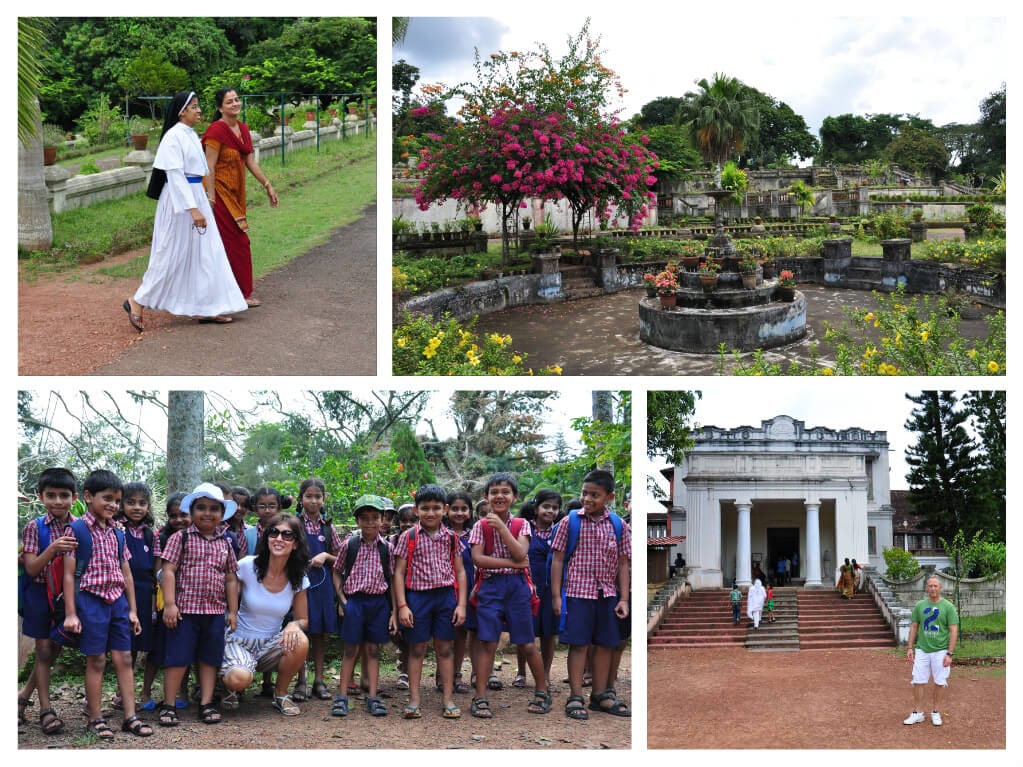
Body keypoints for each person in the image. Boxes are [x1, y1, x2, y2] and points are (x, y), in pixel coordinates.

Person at [125, 90, 247, 331]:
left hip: (195, 197)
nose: (199, 110)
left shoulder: (190, 134)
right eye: (194, 107)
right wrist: (193, 210)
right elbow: (176, 176)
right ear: (182, 112)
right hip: (180, 203)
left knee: (207, 253)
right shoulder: (173, 137)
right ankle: (137, 302)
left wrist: (205, 199)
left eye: (198, 106)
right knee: (172, 253)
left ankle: (208, 308)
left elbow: (200, 172)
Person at [62, 470, 152, 739]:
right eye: (107, 499)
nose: (113, 505)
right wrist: (70, 613)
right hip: (91, 601)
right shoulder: (76, 530)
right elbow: (68, 573)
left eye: (116, 500)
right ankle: (95, 717)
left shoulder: (118, 532)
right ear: (88, 497)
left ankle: (129, 716)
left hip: (118, 602)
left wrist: (133, 610)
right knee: (97, 660)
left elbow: (126, 573)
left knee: (124, 657)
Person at [469, 472, 551, 718]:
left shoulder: (522, 525)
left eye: (505, 492)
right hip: (490, 586)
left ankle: (542, 690)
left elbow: (520, 552)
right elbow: (478, 559)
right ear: (486, 497)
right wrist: (515, 564)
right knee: (488, 642)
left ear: (515, 497)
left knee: (526, 642)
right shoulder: (480, 525)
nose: (499, 496)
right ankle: (480, 696)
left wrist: (503, 529)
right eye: (494, 492)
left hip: (517, 588)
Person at [157, 483, 240, 726]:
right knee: (177, 658)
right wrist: (170, 605)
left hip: (214, 612)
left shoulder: (225, 543)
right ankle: (169, 704)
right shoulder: (179, 538)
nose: (207, 513)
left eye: (214, 508)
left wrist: (232, 611)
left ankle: (206, 702)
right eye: (201, 508)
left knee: (209, 658)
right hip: (184, 611)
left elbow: (231, 578)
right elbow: (168, 571)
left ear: (222, 513)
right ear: (192, 512)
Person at [551, 470, 631, 720]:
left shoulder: (618, 526)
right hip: (577, 593)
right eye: (584, 493)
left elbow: (623, 564)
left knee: (606, 644)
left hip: (607, 594)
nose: (587, 498)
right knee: (579, 645)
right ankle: (575, 695)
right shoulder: (570, 522)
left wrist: (624, 598)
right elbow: (558, 559)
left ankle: (600, 694)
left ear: (609, 497)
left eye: (594, 495)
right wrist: (556, 595)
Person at [221, 514, 310, 717]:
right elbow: (227, 601)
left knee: (301, 640)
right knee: (239, 679)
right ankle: (228, 684)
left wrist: (293, 625)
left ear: (295, 544)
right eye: (274, 532)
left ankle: (280, 694)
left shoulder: (298, 577)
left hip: (270, 644)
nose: (279, 538)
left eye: (287, 535)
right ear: (267, 537)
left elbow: (303, 619)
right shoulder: (246, 566)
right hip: (239, 640)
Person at [393, 485, 468, 719]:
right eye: (425, 508)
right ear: (417, 510)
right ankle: (414, 699)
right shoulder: (409, 536)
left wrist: (461, 604)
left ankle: (447, 698)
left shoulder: (451, 537)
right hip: (418, 598)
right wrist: (403, 606)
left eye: (436, 508)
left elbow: (461, 572)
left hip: (445, 597)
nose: (431, 513)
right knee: (416, 649)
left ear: (444, 510)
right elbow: (398, 573)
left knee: (445, 649)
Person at [202, 87, 279, 306]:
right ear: (220, 107)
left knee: (238, 244)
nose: (235, 104)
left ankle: (239, 294)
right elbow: (209, 165)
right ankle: (233, 295)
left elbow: (251, 162)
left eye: (236, 100)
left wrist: (267, 185)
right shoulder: (216, 131)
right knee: (235, 243)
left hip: (237, 194)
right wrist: (210, 197)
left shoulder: (243, 130)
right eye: (229, 102)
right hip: (219, 195)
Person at [18, 467, 79, 735]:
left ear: (74, 497)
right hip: (39, 594)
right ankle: (45, 710)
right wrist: (53, 548)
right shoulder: (34, 527)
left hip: (66, 598)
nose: (57, 501)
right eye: (51, 495)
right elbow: (31, 568)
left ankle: (21, 698)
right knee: (43, 649)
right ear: (41, 497)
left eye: (63, 495)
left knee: (53, 649)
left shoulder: (80, 526)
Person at [330, 495, 395, 718]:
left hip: (378, 604)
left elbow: (392, 579)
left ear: (382, 519)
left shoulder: (386, 547)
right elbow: (337, 571)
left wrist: (394, 610)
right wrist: (343, 600)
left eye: (375, 518)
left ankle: (373, 696)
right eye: (365, 518)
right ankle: (342, 696)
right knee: (350, 649)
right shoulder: (350, 544)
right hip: (355, 601)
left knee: (373, 650)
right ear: (357, 520)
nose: (370, 523)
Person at [293, 478, 341, 702]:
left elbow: (341, 557)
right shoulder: (293, 525)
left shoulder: (328, 528)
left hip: (322, 586)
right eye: (308, 496)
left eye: (317, 496)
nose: (313, 501)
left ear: (324, 499)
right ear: (301, 498)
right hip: (298, 585)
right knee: (300, 632)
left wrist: (325, 556)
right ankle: (300, 680)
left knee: (320, 633)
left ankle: (319, 680)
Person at [111, 482, 159, 711]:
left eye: (142, 503)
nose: (136, 507)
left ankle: (134, 693)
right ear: (121, 504)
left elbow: (155, 570)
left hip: (144, 593)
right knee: (124, 644)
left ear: (148, 507)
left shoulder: (150, 534)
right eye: (130, 502)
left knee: (141, 644)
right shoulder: (116, 529)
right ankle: (120, 694)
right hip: (121, 593)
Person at [904, 575, 959, 727]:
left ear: (940, 588)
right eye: (930, 586)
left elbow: (954, 630)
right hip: (922, 649)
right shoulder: (920, 606)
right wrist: (910, 647)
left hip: (941, 651)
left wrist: (949, 653)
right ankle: (918, 713)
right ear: (927, 588)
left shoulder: (948, 607)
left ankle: (935, 712)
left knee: (939, 682)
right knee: (918, 681)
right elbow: (914, 627)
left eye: (936, 586)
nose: (933, 588)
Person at [444, 490, 478, 695]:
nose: (459, 513)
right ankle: (443, 675)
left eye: (464, 509)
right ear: (447, 511)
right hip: (445, 587)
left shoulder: (475, 534)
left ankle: (457, 674)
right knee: (445, 633)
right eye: (455, 508)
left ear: (470, 511)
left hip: (470, 588)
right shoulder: (442, 534)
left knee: (462, 632)